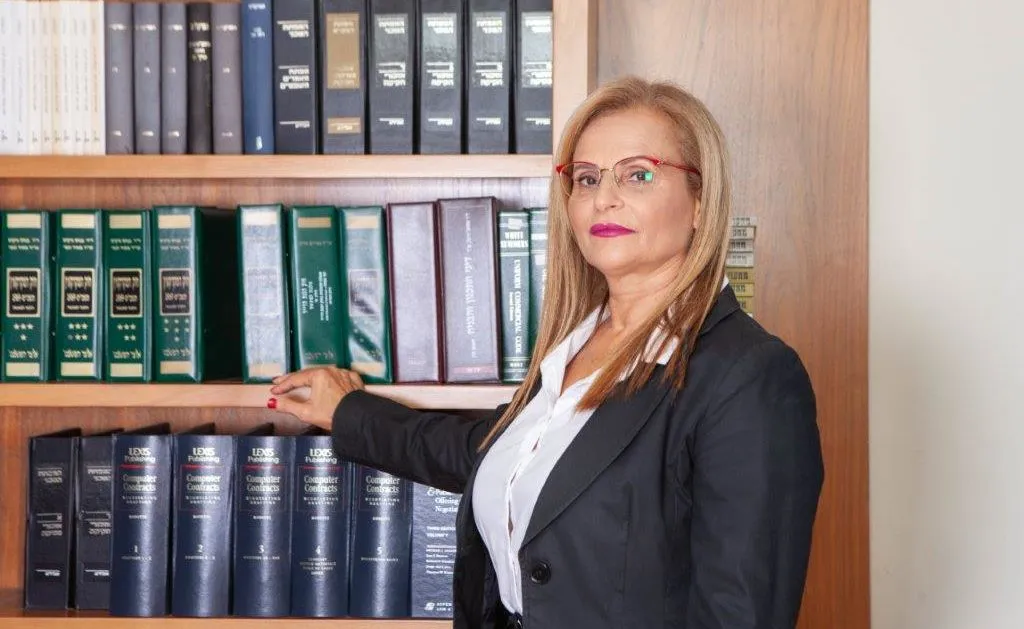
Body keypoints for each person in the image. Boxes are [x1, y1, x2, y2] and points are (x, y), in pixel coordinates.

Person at [269, 75, 824, 629]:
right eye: (587, 178)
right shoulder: (575, 343)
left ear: (700, 201)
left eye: (638, 174)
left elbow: (738, 616)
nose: (604, 197)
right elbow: (497, 456)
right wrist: (348, 411)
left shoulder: (750, 378)